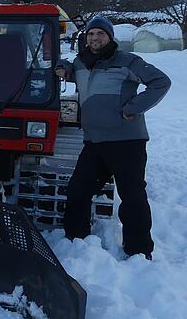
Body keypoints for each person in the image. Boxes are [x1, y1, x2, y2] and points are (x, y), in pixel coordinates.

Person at [55, 17, 171, 260]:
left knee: (132, 196)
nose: (95, 38)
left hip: (127, 142)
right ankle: (77, 242)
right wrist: (63, 66)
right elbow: (66, 68)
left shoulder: (127, 61)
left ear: (110, 37)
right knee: (78, 191)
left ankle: (139, 251)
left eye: (100, 34)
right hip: (94, 142)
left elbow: (161, 82)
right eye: (91, 34)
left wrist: (133, 108)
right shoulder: (81, 64)